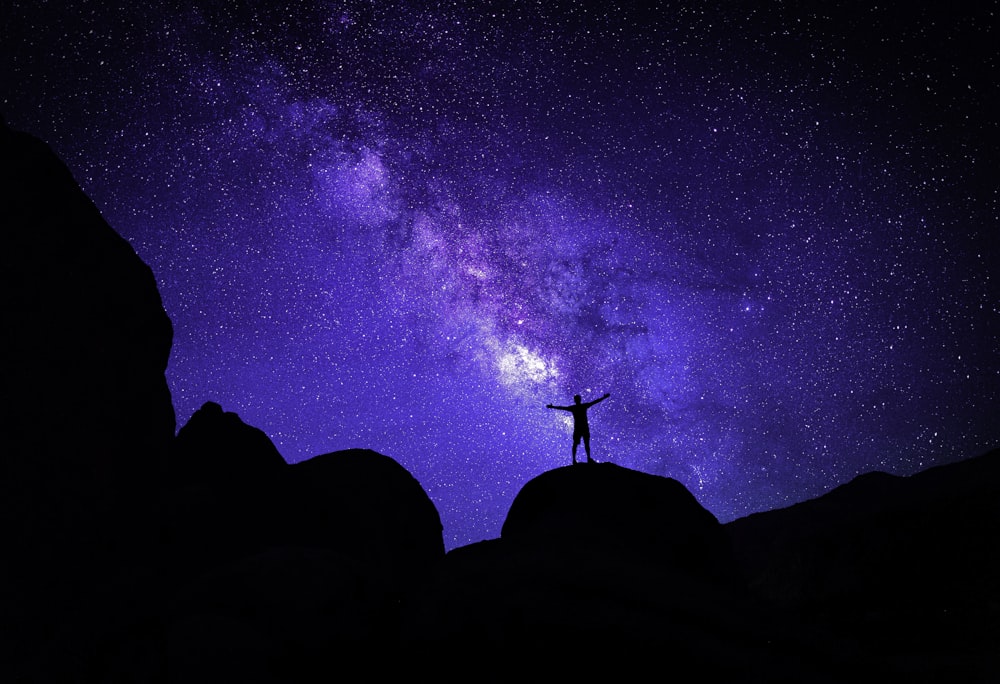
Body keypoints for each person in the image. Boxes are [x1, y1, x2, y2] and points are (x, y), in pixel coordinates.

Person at [545, 393, 610, 464]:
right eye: (577, 399)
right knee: (582, 444)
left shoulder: (575, 407)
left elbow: (562, 408)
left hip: (580, 428)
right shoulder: (581, 406)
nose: (578, 400)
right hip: (582, 428)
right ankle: (583, 459)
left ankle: (578, 459)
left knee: (580, 444)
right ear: (578, 400)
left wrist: (553, 407)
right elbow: (594, 402)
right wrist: (604, 398)